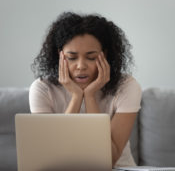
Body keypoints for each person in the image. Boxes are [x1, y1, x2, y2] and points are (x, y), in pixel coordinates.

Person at [29, 11, 142, 168]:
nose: (81, 66)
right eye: (72, 58)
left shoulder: (126, 86)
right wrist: (76, 96)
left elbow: (109, 159)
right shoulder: (42, 89)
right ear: (60, 56)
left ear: (105, 55)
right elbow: (52, 154)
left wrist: (89, 96)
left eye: (91, 57)